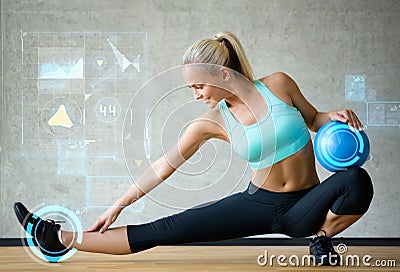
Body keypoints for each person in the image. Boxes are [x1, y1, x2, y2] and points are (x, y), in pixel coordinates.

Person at [14, 31, 373, 266]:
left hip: (306, 208)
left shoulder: (279, 85)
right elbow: (162, 166)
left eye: (199, 85)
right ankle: (57, 237)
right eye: (191, 89)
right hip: (260, 204)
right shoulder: (211, 123)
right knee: (165, 229)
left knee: (357, 181)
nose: (197, 94)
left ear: (223, 74)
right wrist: (118, 205)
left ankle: (321, 239)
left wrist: (334, 116)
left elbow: (314, 119)